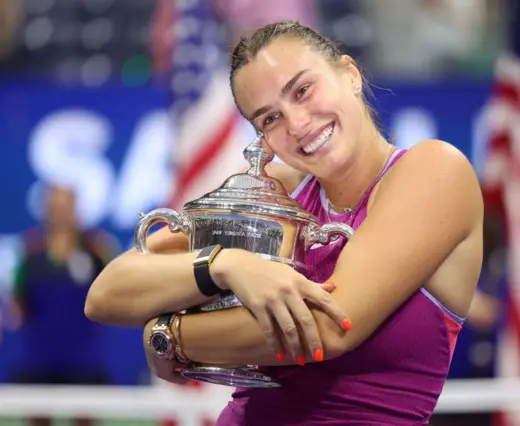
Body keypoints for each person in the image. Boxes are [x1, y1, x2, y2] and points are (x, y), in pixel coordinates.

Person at [85, 20, 484, 425]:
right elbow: (105, 294)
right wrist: (227, 266)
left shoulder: (434, 170)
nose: (296, 123)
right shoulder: (279, 194)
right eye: (269, 119)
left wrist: (170, 336)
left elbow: (330, 328)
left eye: (303, 91)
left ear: (350, 74)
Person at [11, 185, 117, 426]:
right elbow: (18, 303)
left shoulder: (97, 249)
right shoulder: (31, 250)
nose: (60, 213)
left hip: (84, 360)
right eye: (54, 207)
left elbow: (115, 291)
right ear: (46, 210)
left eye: (65, 207)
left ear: (75, 209)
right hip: (39, 360)